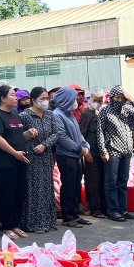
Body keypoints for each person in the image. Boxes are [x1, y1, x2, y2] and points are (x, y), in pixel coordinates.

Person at [0, 86, 36, 240]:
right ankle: (6, 226)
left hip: (20, 160)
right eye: (12, 95)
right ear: (3, 98)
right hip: (5, 162)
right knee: (7, 195)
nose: (16, 98)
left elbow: (18, 137)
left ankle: (15, 225)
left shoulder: (15, 114)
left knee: (19, 194)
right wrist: (14, 153)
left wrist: (28, 134)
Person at [100, 85, 134, 222]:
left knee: (122, 181)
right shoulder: (105, 111)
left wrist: (133, 102)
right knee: (111, 182)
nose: (119, 100)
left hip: (126, 151)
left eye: (122, 98)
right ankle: (113, 211)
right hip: (112, 151)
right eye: (117, 98)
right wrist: (103, 151)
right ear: (112, 98)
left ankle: (123, 210)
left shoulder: (126, 110)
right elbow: (100, 132)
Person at [20, 87, 58, 233]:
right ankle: (34, 223)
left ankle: (47, 220)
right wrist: (28, 134)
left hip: (46, 156)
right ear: (33, 100)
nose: (45, 102)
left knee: (47, 187)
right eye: (42, 99)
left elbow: (56, 133)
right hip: (32, 157)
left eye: (47, 98)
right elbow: (18, 137)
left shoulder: (50, 115)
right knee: (34, 190)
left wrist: (44, 145)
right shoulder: (25, 116)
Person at [51, 87, 91, 228]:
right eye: (73, 98)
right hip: (67, 155)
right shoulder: (57, 115)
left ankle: (75, 214)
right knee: (68, 186)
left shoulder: (70, 114)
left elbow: (78, 133)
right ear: (66, 99)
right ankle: (67, 217)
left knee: (76, 186)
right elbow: (61, 137)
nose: (76, 101)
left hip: (77, 155)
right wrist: (79, 148)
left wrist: (86, 145)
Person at [79, 88, 108, 219]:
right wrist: (85, 151)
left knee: (102, 180)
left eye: (100, 100)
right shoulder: (86, 114)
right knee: (92, 181)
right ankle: (94, 208)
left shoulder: (101, 112)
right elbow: (81, 134)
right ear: (90, 99)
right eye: (95, 100)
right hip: (91, 152)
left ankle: (103, 206)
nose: (97, 102)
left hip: (102, 151)